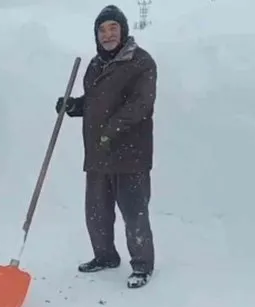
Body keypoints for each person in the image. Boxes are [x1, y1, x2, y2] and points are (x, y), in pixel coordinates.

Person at [55, 4, 157, 289]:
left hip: (130, 153)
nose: (108, 34)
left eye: (113, 28)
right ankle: (105, 256)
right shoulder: (96, 64)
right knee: (97, 211)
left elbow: (140, 105)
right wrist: (73, 106)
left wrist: (109, 131)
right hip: (99, 152)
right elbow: (94, 102)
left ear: (123, 30)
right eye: (102, 30)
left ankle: (142, 265)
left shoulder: (141, 62)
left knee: (134, 212)